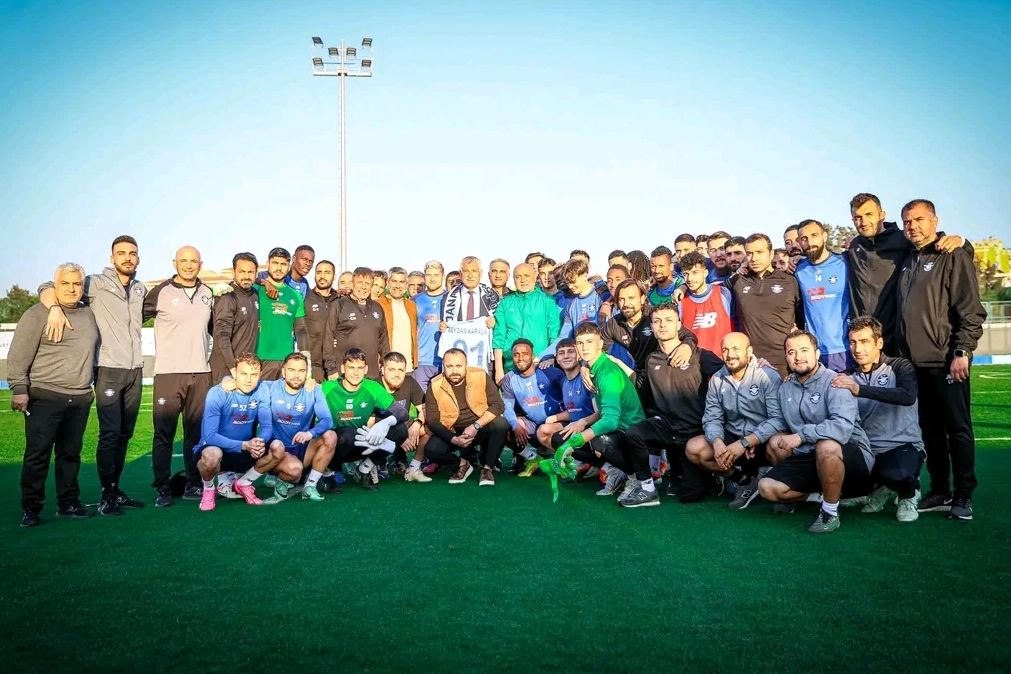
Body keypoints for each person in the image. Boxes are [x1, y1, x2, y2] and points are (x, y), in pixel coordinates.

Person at [36, 236, 147, 515]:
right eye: (121, 253)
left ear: (138, 258)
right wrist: (54, 307)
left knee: (124, 435)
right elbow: (48, 286)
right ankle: (106, 496)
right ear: (112, 258)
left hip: (135, 370)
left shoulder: (140, 289)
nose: (127, 258)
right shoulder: (94, 283)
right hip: (108, 369)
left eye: (132, 253)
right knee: (110, 434)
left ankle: (116, 490)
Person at [895, 199, 986, 520]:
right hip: (915, 366)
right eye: (907, 221)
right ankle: (940, 490)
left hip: (946, 361)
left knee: (958, 430)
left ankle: (963, 495)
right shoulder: (908, 258)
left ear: (934, 221)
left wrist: (962, 351)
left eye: (919, 219)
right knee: (930, 432)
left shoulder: (952, 255)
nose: (912, 226)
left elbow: (971, 310)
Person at [757, 331, 873, 534]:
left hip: (850, 454)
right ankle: (821, 495)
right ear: (786, 358)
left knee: (826, 445)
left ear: (817, 354)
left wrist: (801, 435)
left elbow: (842, 427)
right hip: (808, 455)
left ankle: (830, 512)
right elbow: (779, 422)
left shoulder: (836, 381)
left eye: (804, 350)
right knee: (767, 486)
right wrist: (749, 441)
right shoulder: (785, 388)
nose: (798, 357)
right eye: (791, 352)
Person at [11, 263, 100, 527]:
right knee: (37, 455)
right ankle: (30, 508)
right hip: (45, 395)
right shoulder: (37, 313)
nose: (71, 289)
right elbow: (18, 356)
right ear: (55, 285)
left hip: (80, 397)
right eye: (65, 283)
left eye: (76, 284)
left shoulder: (89, 313)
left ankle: (68, 503)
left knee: (70, 455)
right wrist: (19, 389)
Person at [626, 305, 725, 503]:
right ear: (652, 327)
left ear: (679, 325)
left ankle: (710, 475)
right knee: (633, 433)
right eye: (657, 321)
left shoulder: (698, 355)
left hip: (694, 435)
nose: (662, 325)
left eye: (668, 320)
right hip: (667, 429)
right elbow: (643, 392)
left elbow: (731, 373)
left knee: (689, 496)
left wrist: (757, 364)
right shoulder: (651, 360)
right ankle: (647, 488)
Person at [831, 317, 924, 522]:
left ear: (879, 343)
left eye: (864, 341)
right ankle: (876, 489)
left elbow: (907, 396)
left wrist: (860, 390)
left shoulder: (900, 366)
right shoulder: (847, 376)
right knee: (831, 454)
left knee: (897, 473)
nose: (857, 349)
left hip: (902, 446)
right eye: (853, 342)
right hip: (868, 451)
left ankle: (909, 494)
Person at [846, 193, 963, 355]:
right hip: (863, 341)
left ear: (882, 215)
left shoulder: (903, 240)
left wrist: (961, 241)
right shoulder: (854, 246)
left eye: (869, 215)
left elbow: (934, 245)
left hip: (895, 340)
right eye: (858, 217)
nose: (864, 222)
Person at [145, 246, 215, 507]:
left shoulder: (208, 293)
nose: (188, 265)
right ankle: (163, 487)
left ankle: (193, 484)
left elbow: (215, 329)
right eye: (183, 261)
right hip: (168, 374)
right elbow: (130, 317)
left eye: (193, 261)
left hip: (201, 373)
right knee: (164, 433)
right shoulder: (160, 292)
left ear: (200, 264)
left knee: (195, 434)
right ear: (174, 263)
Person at [686, 332, 782, 510]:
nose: (730, 355)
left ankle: (782, 489)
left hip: (762, 439)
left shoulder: (767, 376)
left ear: (749, 351)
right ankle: (744, 482)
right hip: (734, 439)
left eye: (736, 349)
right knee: (695, 448)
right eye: (725, 350)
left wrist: (748, 441)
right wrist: (717, 442)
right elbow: (711, 417)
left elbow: (778, 419)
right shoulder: (717, 379)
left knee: (780, 443)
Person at [560, 322, 649, 506]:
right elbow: (604, 412)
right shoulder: (593, 368)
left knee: (598, 441)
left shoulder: (607, 373)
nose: (584, 347)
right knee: (562, 437)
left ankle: (634, 477)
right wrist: (582, 423)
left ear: (600, 344)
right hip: (618, 427)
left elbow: (610, 421)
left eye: (590, 342)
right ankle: (616, 470)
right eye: (580, 343)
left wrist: (576, 440)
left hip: (630, 430)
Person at [193, 353, 283, 511]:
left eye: (254, 375)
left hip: (245, 449)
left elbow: (267, 426)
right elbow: (210, 436)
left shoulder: (262, 389)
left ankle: (244, 483)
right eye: (243, 374)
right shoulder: (217, 393)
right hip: (220, 448)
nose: (248, 379)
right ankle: (209, 489)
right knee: (211, 456)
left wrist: (259, 442)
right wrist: (245, 445)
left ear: (260, 374)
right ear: (234, 373)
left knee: (278, 447)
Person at [319, 348, 411, 492]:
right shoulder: (327, 388)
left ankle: (364, 469)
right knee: (346, 434)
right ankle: (327, 473)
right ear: (343, 368)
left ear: (366, 369)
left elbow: (402, 412)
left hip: (361, 443)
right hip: (335, 446)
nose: (355, 373)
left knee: (401, 430)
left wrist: (385, 423)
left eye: (360, 368)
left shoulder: (372, 388)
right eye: (351, 367)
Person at [423, 348, 510, 486]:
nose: (454, 371)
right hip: (452, 430)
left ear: (466, 365)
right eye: (449, 366)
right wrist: (454, 439)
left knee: (501, 424)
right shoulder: (435, 384)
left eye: (458, 366)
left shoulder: (480, 375)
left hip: (480, 426)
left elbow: (498, 405)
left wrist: (475, 426)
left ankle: (487, 468)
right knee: (431, 450)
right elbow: (432, 421)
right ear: (443, 366)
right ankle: (462, 464)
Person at [727, 233, 804, 378]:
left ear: (771, 254)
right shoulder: (739, 281)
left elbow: (802, 314)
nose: (754, 258)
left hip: (784, 360)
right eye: (749, 253)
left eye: (759, 252)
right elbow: (711, 291)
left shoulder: (789, 281)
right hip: (751, 361)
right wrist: (683, 287)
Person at [262, 353, 336, 502]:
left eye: (301, 371)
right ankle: (279, 477)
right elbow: (245, 381)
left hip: (303, 448)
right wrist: (226, 380)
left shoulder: (313, 390)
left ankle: (310, 486)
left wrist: (310, 434)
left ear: (307, 373)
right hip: (277, 449)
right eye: (291, 370)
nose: (296, 375)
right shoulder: (270, 387)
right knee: (294, 471)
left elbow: (327, 420)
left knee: (330, 436)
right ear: (283, 372)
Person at [500, 339, 565, 475]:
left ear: (532, 355)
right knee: (504, 427)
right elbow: (507, 406)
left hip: (558, 425)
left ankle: (564, 458)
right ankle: (533, 458)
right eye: (516, 355)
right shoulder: (509, 379)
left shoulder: (550, 372)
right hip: (534, 426)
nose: (520, 358)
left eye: (525, 354)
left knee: (545, 430)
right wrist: (515, 425)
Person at [533, 339, 599, 466]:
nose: (566, 356)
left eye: (571, 351)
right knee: (544, 430)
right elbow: (575, 409)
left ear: (579, 355)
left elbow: (602, 413)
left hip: (594, 428)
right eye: (561, 353)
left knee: (559, 439)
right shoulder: (564, 382)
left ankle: (601, 465)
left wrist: (582, 423)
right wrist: (554, 418)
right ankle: (579, 461)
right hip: (577, 426)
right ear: (557, 359)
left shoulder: (588, 377)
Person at [795, 220, 850, 371]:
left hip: (842, 348)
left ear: (824, 236)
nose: (809, 242)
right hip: (812, 351)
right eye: (804, 238)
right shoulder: (798, 269)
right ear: (799, 241)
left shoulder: (845, 262)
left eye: (814, 235)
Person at [492, 263, 562, 380]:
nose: (523, 280)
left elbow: (554, 332)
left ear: (535, 277)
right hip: (511, 366)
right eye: (518, 277)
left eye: (526, 276)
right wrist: (498, 369)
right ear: (513, 279)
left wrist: (550, 357)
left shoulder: (547, 301)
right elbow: (499, 337)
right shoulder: (505, 303)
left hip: (541, 364)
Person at [322, 267, 390, 378]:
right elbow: (328, 337)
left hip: (371, 374)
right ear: (353, 283)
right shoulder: (339, 305)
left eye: (367, 283)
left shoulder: (377, 308)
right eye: (360, 282)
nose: (363, 287)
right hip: (344, 373)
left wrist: (385, 364)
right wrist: (331, 368)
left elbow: (384, 341)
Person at [256, 247, 310, 381]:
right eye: (275, 263)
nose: (279, 268)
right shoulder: (255, 290)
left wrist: (306, 358)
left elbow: (300, 329)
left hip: (286, 361)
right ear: (268, 264)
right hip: (259, 358)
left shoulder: (295, 296)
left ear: (289, 266)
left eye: (283, 264)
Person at [379, 352, 431, 483]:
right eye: (392, 370)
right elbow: (369, 422)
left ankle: (413, 468)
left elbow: (425, 409)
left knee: (430, 426)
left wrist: (417, 423)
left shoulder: (409, 382)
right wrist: (399, 438)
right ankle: (376, 462)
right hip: (378, 431)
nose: (397, 374)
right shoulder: (374, 386)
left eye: (401, 370)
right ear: (383, 370)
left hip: (403, 427)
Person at [210, 252, 260, 381]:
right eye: (242, 272)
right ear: (233, 272)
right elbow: (222, 336)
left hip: (244, 369)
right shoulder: (227, 297)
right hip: (226, 371)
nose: (246, 276)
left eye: (250, 272)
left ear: (256, 273)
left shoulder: (255, 294)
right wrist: (233, 369)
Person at [677, 251, 734, 355]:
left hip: (722, 361)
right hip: (695, 362)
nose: (690, 279)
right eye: (686, 274)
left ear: (705, 273)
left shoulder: (723, 293)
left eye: (695, 273)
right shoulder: (680, 300)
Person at [304, 260, 340, 383]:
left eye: (327, 272)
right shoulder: (305, 299)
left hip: (335, 365)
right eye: (319, 272)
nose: (322, 276)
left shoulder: (341, 301)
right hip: (313, 365)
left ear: (334, 276)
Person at [377, 267, 419, 374]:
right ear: (388, 283)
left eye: (401, 282)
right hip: (386, 368)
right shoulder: (378, 304)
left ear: (406, 284)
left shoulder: (411, 305)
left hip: (408, 368)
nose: (397, 286)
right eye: (394, 281)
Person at [413, 260, 446, 391]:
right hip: (422, 361)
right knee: (422, 401)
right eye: (429, 275)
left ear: (442, 276)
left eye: (436, 275)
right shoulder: (415, 300)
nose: (432, 279)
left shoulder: (451, 299)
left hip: (445, 360)